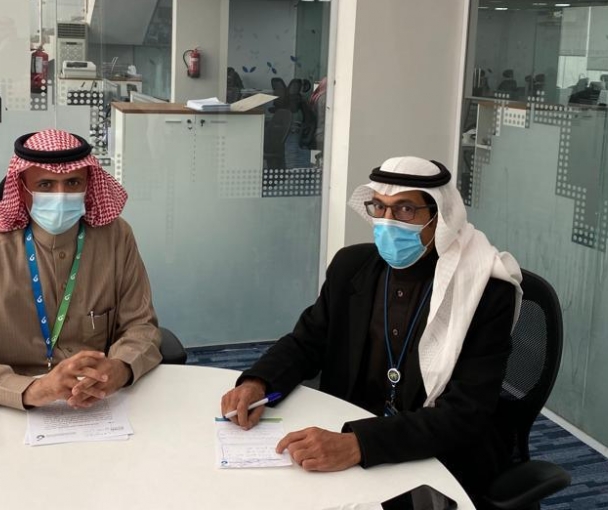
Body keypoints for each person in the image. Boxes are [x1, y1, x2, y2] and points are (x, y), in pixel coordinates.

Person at [220, 157, 522, 500]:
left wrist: (357, 444)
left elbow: (465, 414)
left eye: (405, 209)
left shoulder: (483, 292)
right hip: (348, 424)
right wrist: (259, 382)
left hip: (438, 453)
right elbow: (307, 341)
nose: (387, 221)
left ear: (439, 217)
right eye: (379, 206)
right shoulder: (351, 266)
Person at [0, 129, 162, 410]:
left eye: (73, 182)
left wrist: (121, 367)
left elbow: (141, 326)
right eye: (46, 185)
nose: (61, 196)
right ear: (23, 190)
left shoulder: (116, 238)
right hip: (16, 404)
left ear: (89, 185)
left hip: (101, 401)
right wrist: (34, 389)